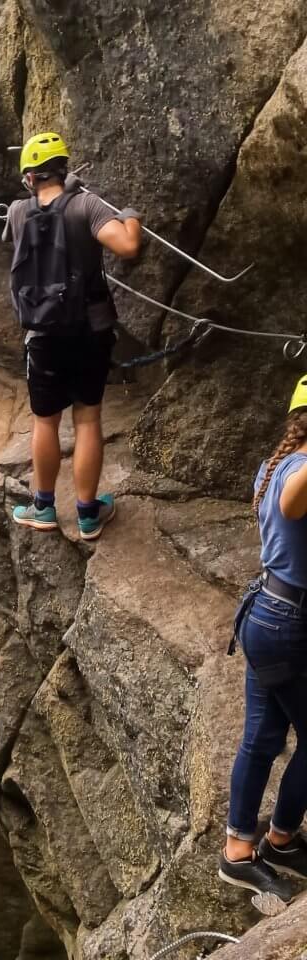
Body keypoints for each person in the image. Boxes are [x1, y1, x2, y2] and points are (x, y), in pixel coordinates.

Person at [5, 133, 142, 540]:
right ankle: (87, 513)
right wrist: (131, 216)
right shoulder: (87, 205)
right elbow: (128, 245)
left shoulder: (16, 212)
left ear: (29, 176)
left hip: (42, 331)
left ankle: (43, 507)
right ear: (65, 168)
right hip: (90, 328)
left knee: (44, 421)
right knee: (87, 418)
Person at [218, 376, 307, 905]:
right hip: (283, 624)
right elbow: (295, 501)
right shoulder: (295, 473)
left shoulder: (274, 464)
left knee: (263, 736)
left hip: (268, 616)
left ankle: (243, 850)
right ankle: (277, 839)